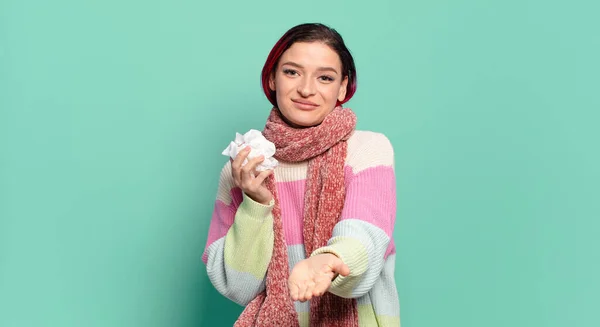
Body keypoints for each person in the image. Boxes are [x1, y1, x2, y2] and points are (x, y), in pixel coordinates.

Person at [202, 23, 400, 327]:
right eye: (292, 72)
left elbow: (366, 235)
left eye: (325, 77)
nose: (307, 89)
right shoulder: (244, 167)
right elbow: (237, 287)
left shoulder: (367, 149)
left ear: (343, 88)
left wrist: (328, 261)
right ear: (272, 78)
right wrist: (255, 203)